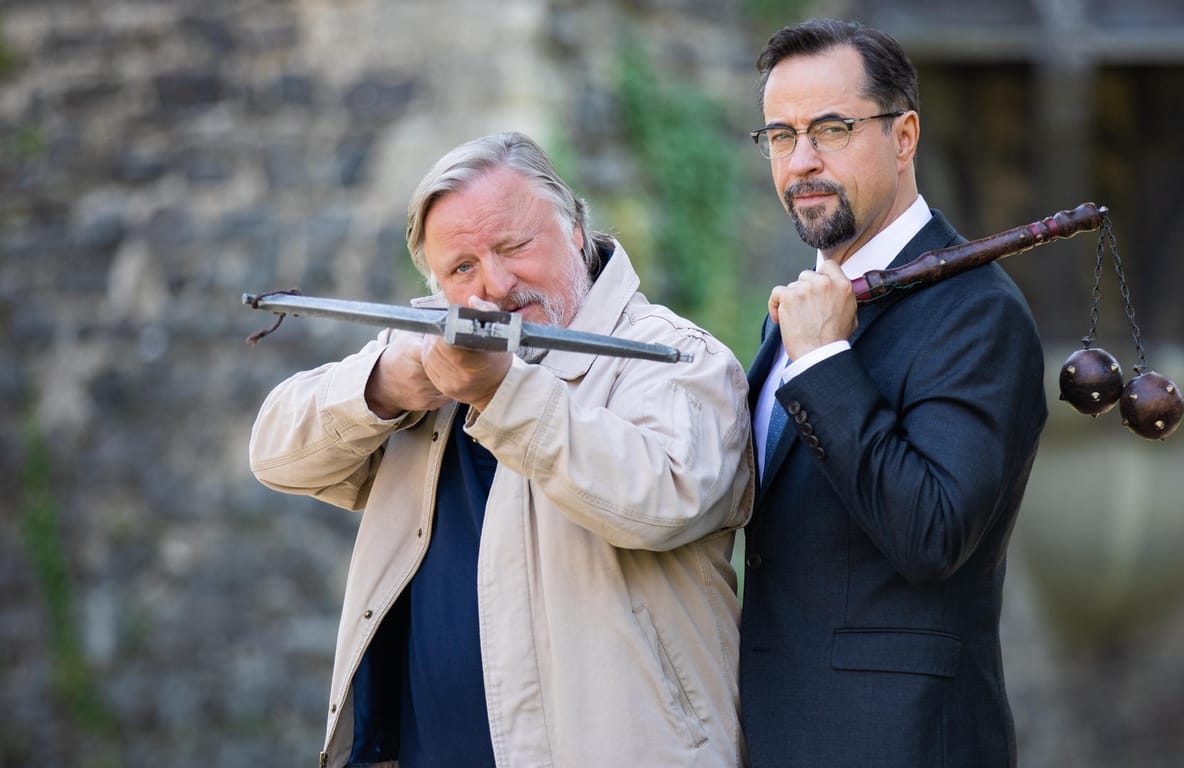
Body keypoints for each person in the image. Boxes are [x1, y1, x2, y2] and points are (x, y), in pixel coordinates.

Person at [249, 132, 753, 767]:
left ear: (574, 230)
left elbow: (661, 499)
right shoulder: (425, 362)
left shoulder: (676, 356)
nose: (496, 285)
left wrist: (503, 392)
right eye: (462, 268)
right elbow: (273, 454)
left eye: (514, 246)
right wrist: (378, 386)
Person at [739, 18, 1047, 767]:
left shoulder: (978, 313)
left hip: (902, 742)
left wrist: (820, 364)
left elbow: (932, 532)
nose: (802, 162)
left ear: (904, 136)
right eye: (781, 136)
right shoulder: (807, 306)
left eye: (831, 129)